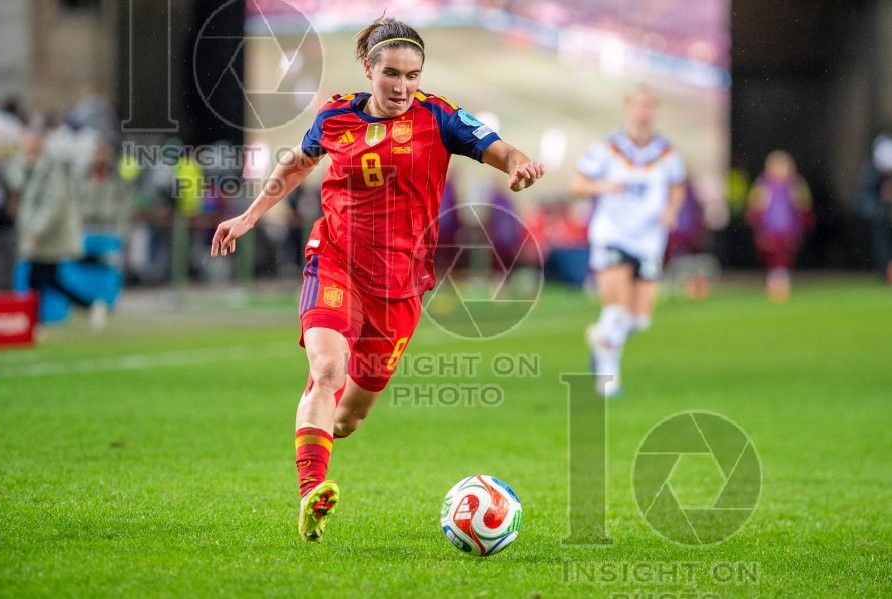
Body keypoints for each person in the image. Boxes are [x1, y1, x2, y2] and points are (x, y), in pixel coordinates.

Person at [210, 16, 544, 542]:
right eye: (391, 73)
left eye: (412, 75)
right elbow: (297, 163)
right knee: (326, 370)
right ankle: (311, 494)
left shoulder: (439, 117)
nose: (402, 86)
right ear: (369, 68)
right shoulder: (336, 115)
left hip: (401, 287)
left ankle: (319, 432)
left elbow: (498, 147)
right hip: (335, 260)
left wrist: (519, 164)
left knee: (348, 418)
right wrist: (249, 216)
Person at [569, 86, 687, 396]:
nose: (643, 112)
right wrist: (603, 186)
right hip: (613, 234)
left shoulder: (667, 152)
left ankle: (600, 336)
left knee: (639, 321)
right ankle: (608, 381)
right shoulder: (608, 148)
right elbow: (577, 184)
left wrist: (672, 210)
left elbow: (678, 186)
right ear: (628, 108)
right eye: (639, 105)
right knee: (617, 310)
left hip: (649, 239)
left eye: (649, 106)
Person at [11, 128, 107, 329]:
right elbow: (14, 181)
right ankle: (89, 306)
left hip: (49, 236)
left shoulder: (51, 167)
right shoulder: (32, 166)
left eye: (28, 142)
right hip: (40, 233)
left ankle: (35, 321)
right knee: (48, 279)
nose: (24, 146)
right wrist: (22, 163)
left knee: (39, 278)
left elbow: (53, 203)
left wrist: (38, 230)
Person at [746, 150, 813, 302]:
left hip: (790, 228)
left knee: (785, 256)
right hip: (769, 228)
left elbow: (804, 206)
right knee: (772, 255)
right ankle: (775, 282)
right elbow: (755, 207)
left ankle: (782, 282)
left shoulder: (795, 184)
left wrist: (803, 223)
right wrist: (758, 225)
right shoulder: (763, 184)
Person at [855, 133, 892, 284]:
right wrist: (880, 207)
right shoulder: (870, 173)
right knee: (881, 242)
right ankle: (885, 271)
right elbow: (861, 202)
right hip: (880, 217)